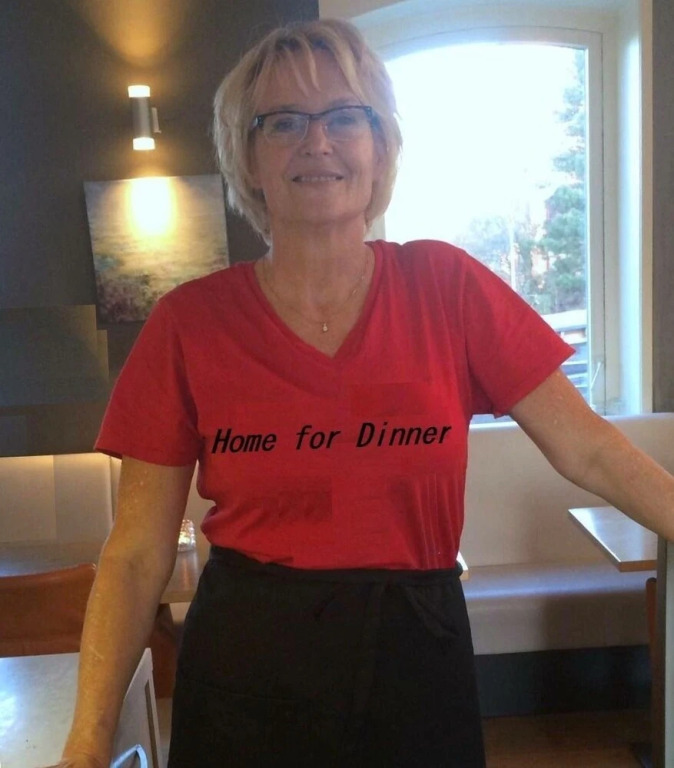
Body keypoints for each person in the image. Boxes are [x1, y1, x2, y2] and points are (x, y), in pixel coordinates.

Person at [49, 18, 674, 768]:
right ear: (248, 157)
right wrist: (86, 743)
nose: (317, 142)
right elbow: (135, 554)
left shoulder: (448, 287)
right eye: (284, 122)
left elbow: (590, 450)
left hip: (416, 660)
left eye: (345, 117)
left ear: (381, 149)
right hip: (247, 673)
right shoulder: (188, 324)